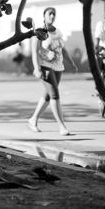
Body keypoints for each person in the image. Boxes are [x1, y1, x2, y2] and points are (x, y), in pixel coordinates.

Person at [27, 7, 78, 136]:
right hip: (45, 67)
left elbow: (63, 50)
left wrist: (72, 63)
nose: (52, 16)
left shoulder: (58, 32)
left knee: (48, 96)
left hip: (58, 67)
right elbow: (34, 52)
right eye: (49, 14)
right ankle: (62, 126)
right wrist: (36, 68)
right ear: (44, 16)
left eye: (54, 14)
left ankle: (33, 120)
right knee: (55, 95)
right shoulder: (39, 32)